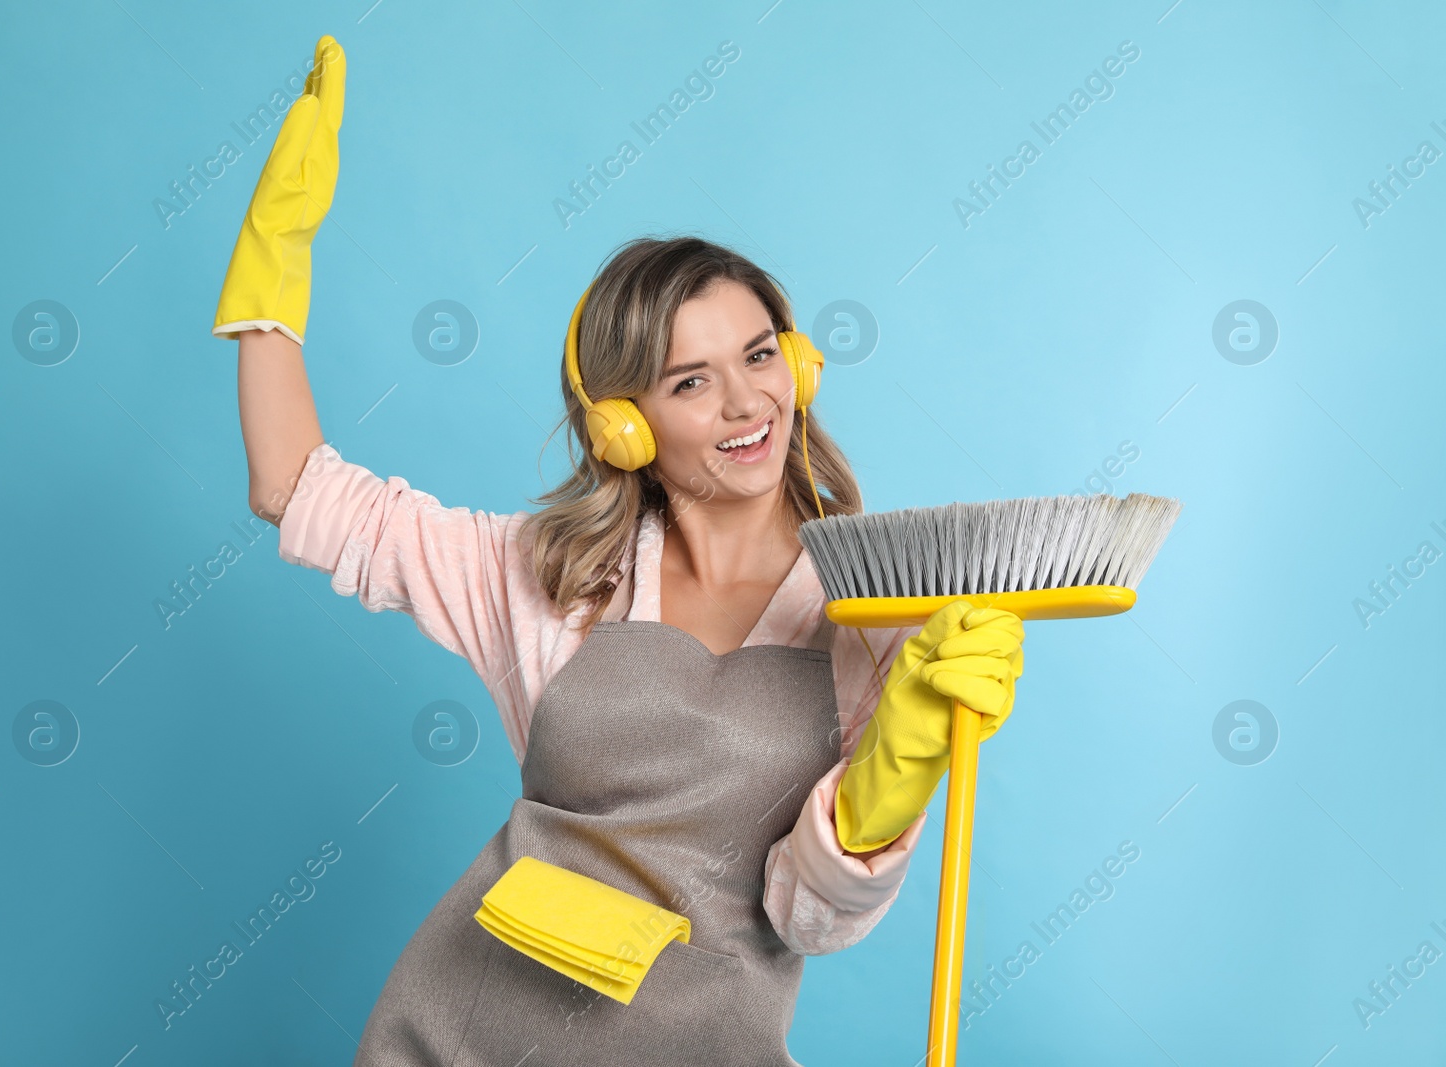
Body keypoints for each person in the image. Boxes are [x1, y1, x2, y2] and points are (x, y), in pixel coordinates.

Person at [215, 35, 1025, 1067]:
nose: (745, 402)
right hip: (459, 1036)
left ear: (799, 364)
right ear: (622, 426)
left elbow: (808, 917)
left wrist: (899, 764)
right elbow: (296, 489)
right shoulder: (550, 578)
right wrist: (267, 281)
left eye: (759, 354)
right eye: (690, 381)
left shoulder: (875, 612)